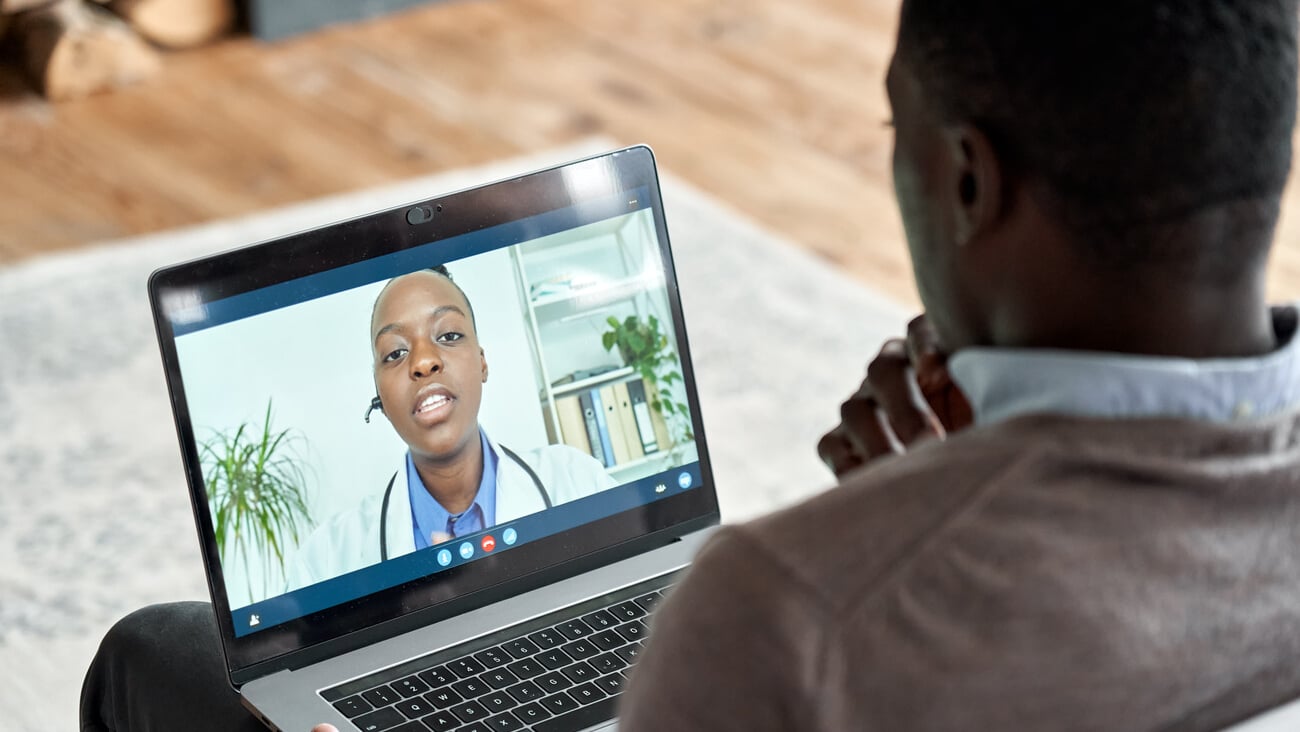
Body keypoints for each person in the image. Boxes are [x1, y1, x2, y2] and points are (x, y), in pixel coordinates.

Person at [83, 1, 1300, 730]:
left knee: (157, 655)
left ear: (969, 179)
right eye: (393, 351)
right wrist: (944, 498)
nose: (424, 365)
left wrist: (873, 551)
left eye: (897, 128)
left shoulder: (780, 613)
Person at [284, 266, 615, 591]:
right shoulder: (325, 561)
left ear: (482, 362)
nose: (424, 362)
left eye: (449, 335)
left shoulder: (579, 481)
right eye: (396, 353)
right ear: (380, 398)